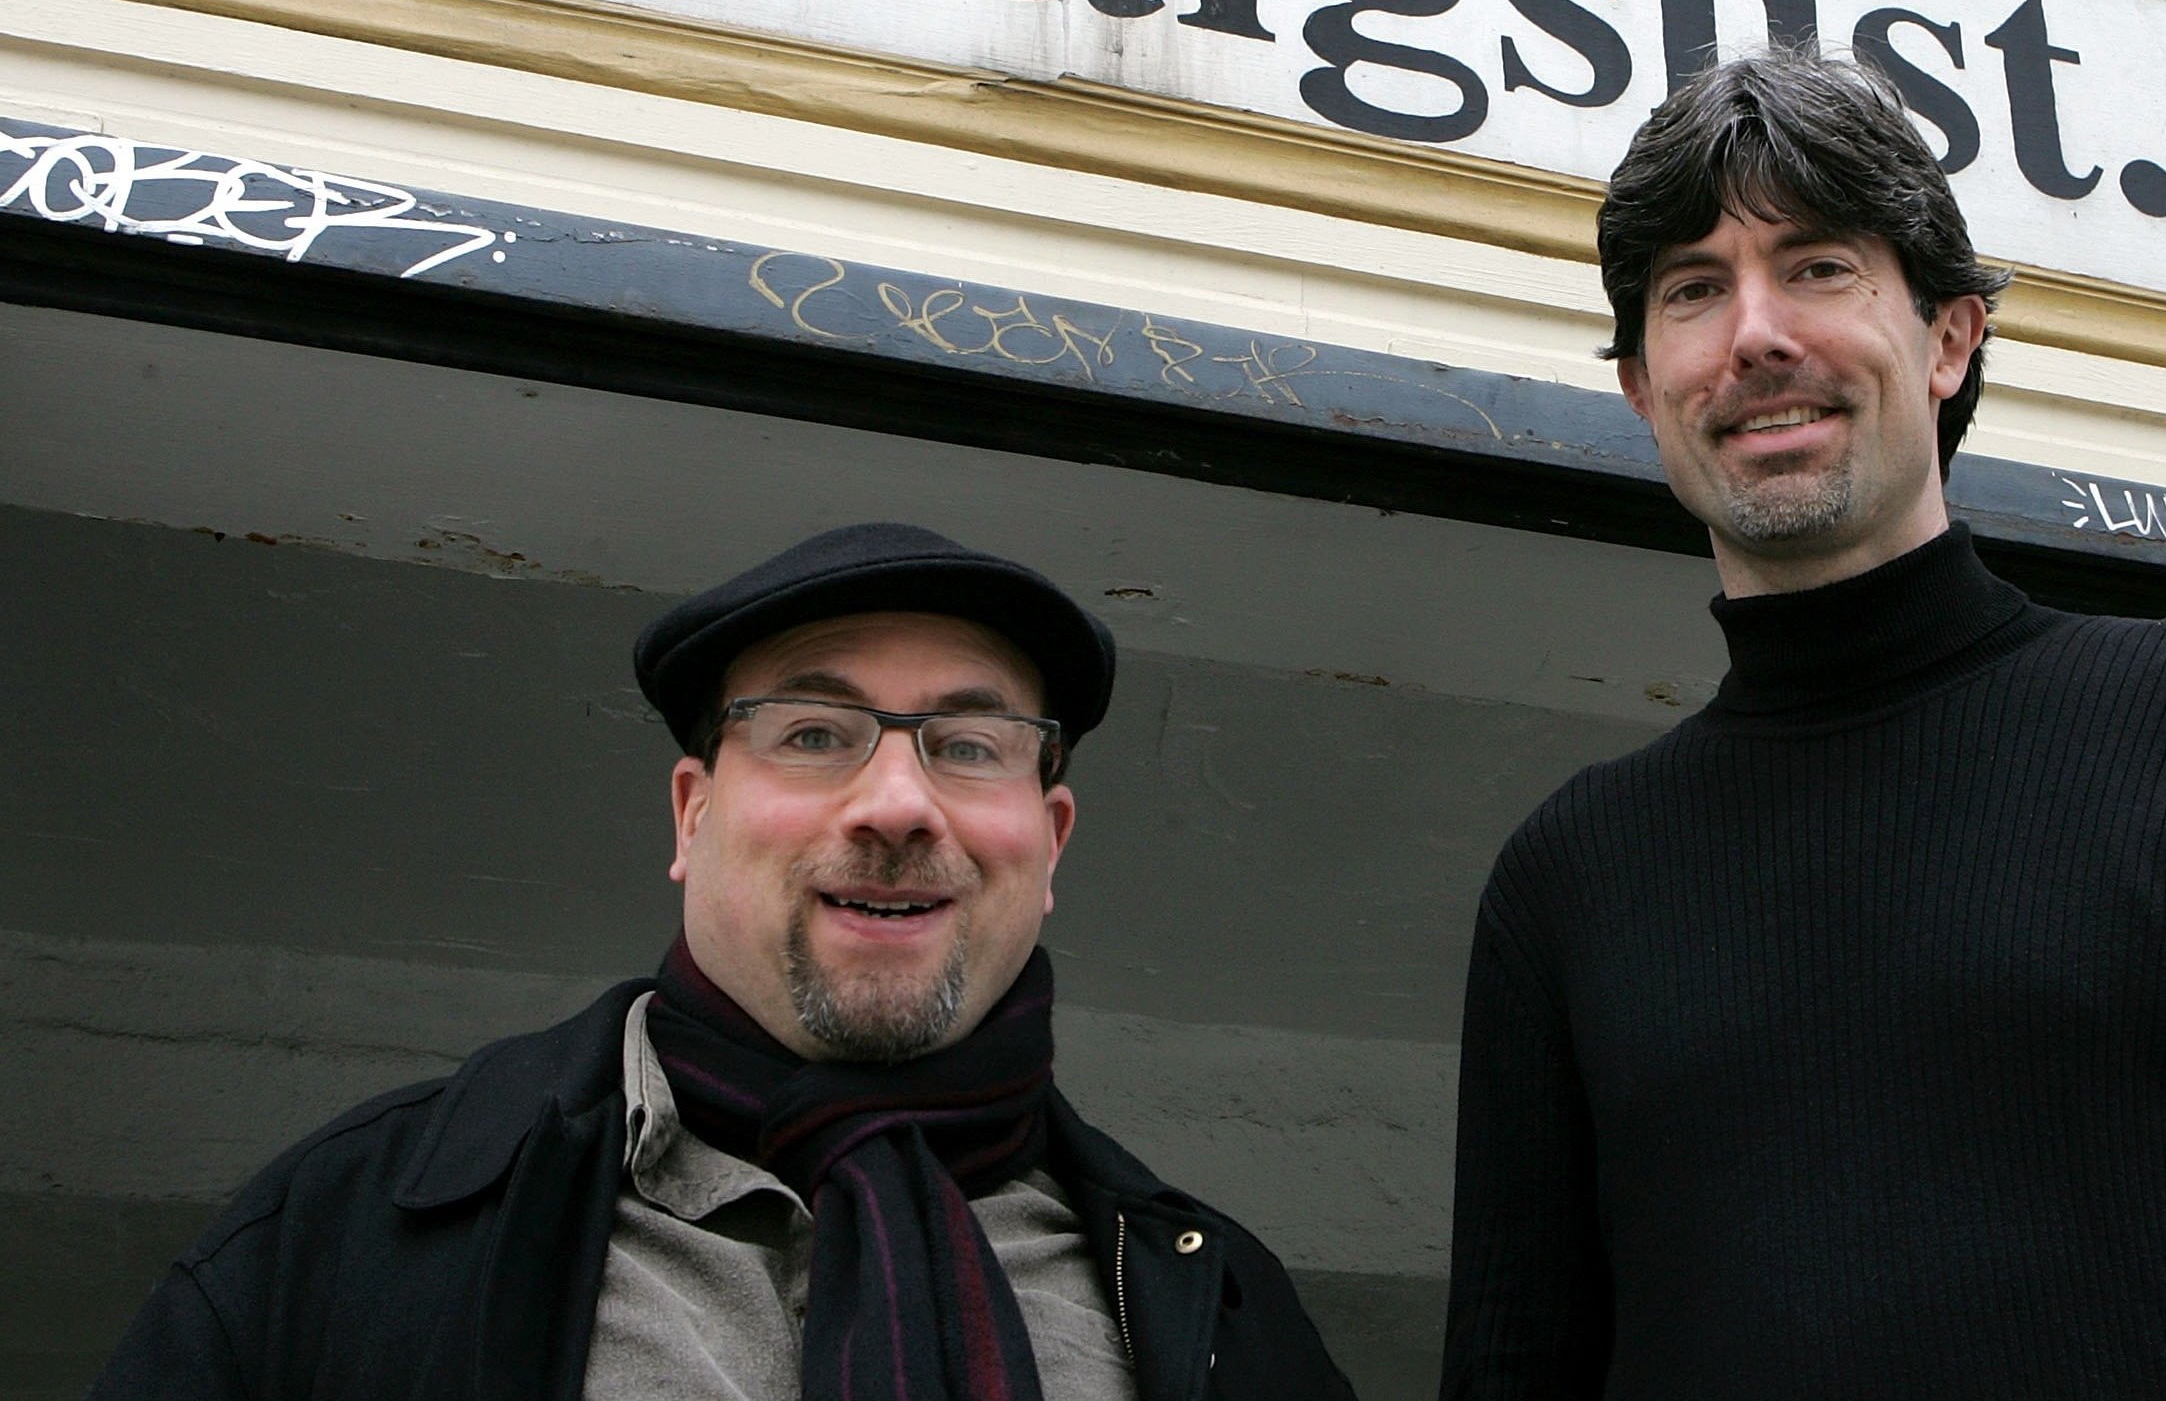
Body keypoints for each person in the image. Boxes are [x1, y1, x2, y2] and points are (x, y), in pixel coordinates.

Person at [1437, 53, 2166, 1401]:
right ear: (1646, 387)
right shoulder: (1567, 880)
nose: (1756, 332)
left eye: (1819, 265)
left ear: (1949, 337)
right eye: (1694, 288)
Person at [93, 522, 1357, 1401]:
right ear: (692, 816)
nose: (899, 804)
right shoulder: (345, 1233)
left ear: (1051, 838)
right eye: (814, 732)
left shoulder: (1223, 1312)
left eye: (970, 745)